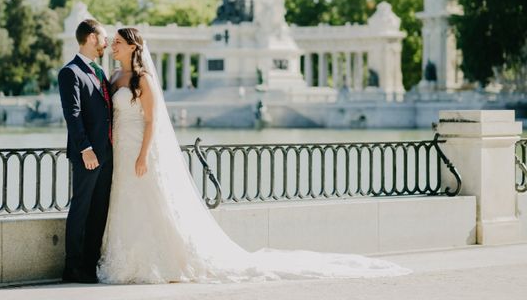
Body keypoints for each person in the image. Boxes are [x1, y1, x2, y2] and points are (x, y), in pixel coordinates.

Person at [98, 27, 410, 283]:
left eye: (118, 43)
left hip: (138, 149)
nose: (113, 47)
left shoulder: (144, 79)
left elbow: (152, 120)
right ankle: (127, 257)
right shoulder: (112, 78)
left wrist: (143, 154)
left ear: (133, 47)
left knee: (149, 200)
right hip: (120, 148)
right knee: (126, 199)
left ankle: (156, 258)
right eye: (112, 43)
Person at [58, 19, 113, 284]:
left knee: (99, 209)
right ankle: (72, 266)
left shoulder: (100, 72)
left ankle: (90, 265)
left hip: (107, 154)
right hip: (88, 155)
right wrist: (86, 149)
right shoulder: (70, 72)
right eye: (103, 37)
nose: (106, 42)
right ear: (91, 37)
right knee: (81, 208)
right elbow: (73, 115)